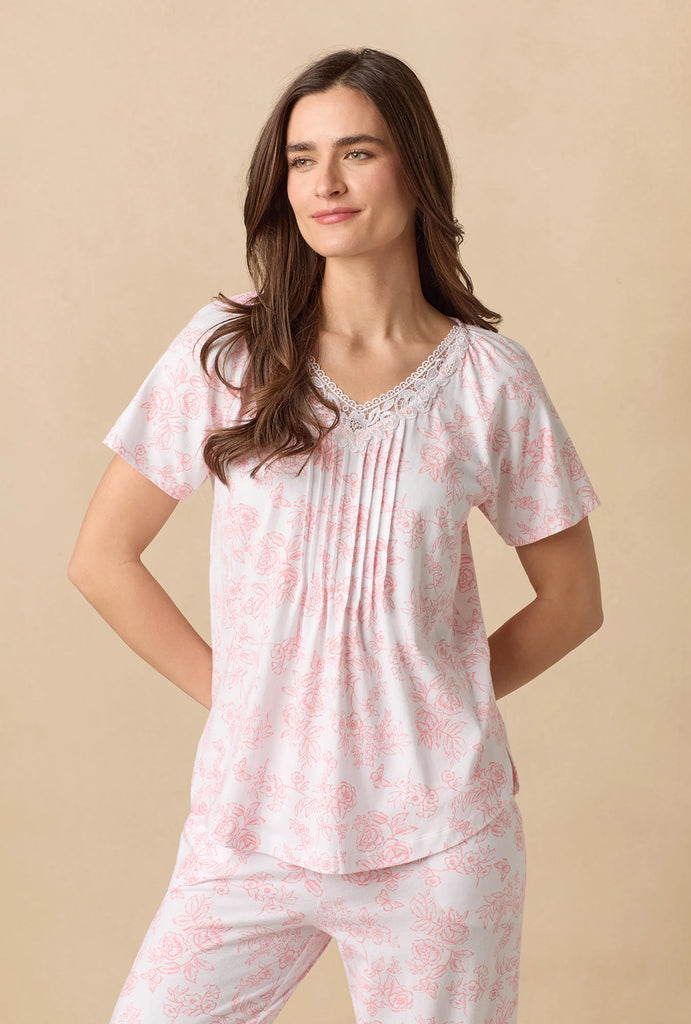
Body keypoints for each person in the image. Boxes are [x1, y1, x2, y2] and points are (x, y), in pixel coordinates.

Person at [68, 46, 603, 1024]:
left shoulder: (490, 382)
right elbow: (101, 559)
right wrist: (244, 699)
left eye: (356, 152)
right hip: (251, 825)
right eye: (301, 158)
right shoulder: (227, 352)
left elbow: (572, 602)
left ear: (414, 168)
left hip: (440, 840)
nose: (325, 182)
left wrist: (435, 702)